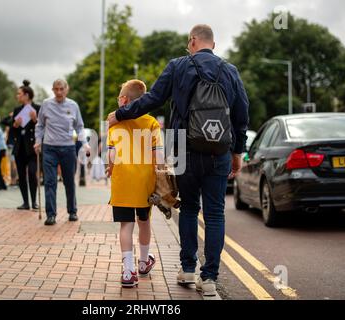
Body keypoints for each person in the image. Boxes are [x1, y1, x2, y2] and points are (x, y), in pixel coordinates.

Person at [107, 24, 250, 296]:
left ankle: (187, 269)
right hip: (219, 151)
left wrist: (122, 114)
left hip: (184, 149)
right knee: (215, 213)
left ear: (193, 41)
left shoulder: (178, 66)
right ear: (213, 45)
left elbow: (152, 99)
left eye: (189, 43)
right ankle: (208, 279)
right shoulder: (230, 71)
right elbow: (242, 115)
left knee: (188, 209)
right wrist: (237, 153)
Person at [106, 80, 163, 288]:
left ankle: (128, 271)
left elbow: (111, 154)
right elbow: (159, 156)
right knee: (144, 221)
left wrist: (111, 168)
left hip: (122, 182)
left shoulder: (114, 122)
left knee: (126, 225)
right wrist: (160, 178)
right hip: (145, 182)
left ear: (123, 100)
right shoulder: (152, 123)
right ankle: (143, 262)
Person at [34, 79, 90, 226]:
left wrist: (85, 144)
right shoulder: (46, 104)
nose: (58, 92)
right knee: (50, 181)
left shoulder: (73, 105)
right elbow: (40, 125)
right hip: (49, 147)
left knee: (69, 181)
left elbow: (79, 127)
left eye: (61, 89)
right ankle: (51, 215)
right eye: (56, 89)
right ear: (52, 90)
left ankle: (72, 211)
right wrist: (38, 141)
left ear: (67, 89)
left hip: (68, 148)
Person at [11, 80, 40, 210]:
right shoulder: (17, 109)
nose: (17, 96)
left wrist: (35, 120)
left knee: (33, 173)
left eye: (19, 94)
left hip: (33, 147)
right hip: (20, 147)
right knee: (21, 175)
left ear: (26, 95)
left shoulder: (38, 108)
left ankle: (34, 201)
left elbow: (43, 126)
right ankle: (25, 202)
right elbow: (13, 129)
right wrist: (15, 125)